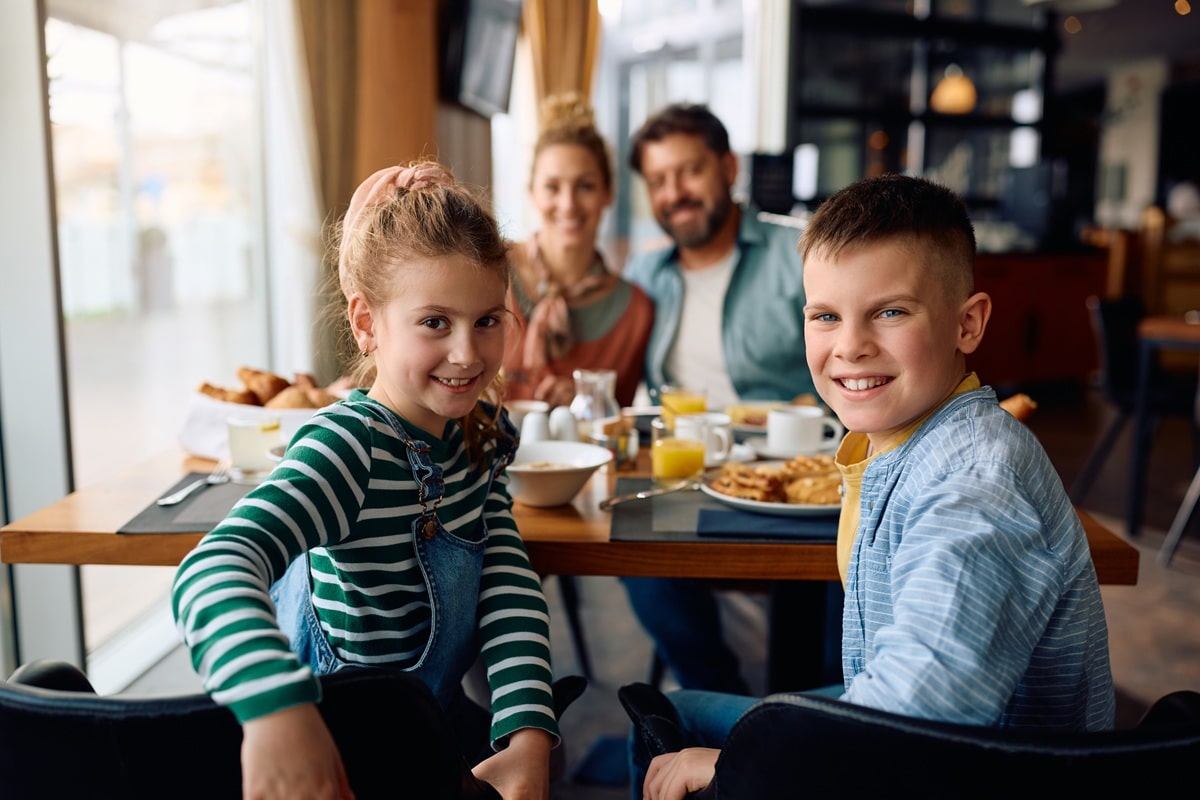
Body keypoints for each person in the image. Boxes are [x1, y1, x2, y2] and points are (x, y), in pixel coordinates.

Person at [633, 173, 1116, 800]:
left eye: (890, 312)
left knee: (673, 731)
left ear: (967, 324)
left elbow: (919, 714)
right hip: (927, 737)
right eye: (826, 316)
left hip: (976, 771)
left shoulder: (975, 488)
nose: (851, 347)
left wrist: (732, 768)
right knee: (675, 711)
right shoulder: (912, 437)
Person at [171, 161, 560, 800]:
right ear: (366, 324)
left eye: (487, 320)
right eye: (435, 322)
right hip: (337, 748)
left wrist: (527, 731)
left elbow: (504, 576)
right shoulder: (347, 447)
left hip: (428, 728)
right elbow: (212, 567)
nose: (467, 353)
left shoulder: (482, 430)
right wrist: (277, 712)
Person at [621, 102, 828, 696]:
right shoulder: (643, 276)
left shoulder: (801, 255)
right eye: (658, 180)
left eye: (688, 171)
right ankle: (717, 696)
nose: (674, 192)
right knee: (636, 547)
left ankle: (804, 712)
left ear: (728, 168)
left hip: (791, 469)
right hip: (689, 473)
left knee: (829, 564)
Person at [503, 92, 653, 409]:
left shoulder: (635, 313)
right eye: (552, 187)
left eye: (585, 186)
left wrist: (589, 406)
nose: (568, 205)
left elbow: (616, 427)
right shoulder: (490, 269)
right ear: (532, 193)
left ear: (608, 193)